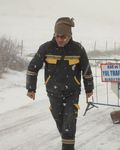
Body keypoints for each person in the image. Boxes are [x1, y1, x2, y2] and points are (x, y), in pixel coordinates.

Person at [26, 17, 94, 150]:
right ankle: (67, 140)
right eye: (57, 36)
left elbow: (86, 70)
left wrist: (89, 90)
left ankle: (68, 146)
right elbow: (32, 68)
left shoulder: (78, 49)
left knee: (69, 123)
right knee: (60, 121)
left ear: (69, 35)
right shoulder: (46, 48)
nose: (60, 39)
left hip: (72, 93)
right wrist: (31, 88)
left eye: (63, 37)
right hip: (53, 92)